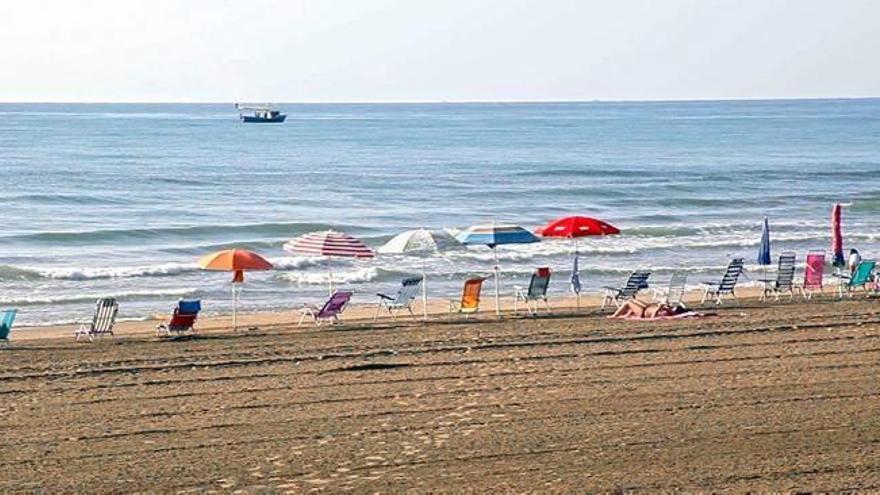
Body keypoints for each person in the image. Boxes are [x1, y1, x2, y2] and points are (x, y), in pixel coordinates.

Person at [611, 299, 688, 319]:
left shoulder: (666, 313)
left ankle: (614, 316)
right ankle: (618, 314)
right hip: (647, 307)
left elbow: (653, 317)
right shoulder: (668, 310)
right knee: (633, 300)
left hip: (643, 312)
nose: (671, 307)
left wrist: (659, 308)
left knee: (628, 303)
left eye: (673, 308)